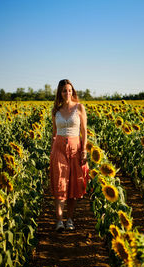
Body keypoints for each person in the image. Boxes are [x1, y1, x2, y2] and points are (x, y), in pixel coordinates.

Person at [50, 79, 89, 232]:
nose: (68, 93)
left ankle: (70, 219)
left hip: (76, 147)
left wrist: (84, 150)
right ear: (60, 93)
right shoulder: (56, 110)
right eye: (65, 90)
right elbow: (54, 132)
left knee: (73, 183)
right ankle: (59, 220)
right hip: (58, 147)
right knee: (60, 183)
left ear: (73, 91)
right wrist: (53, 150)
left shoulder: (79, 108)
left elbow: (84, 131)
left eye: (70, 90)